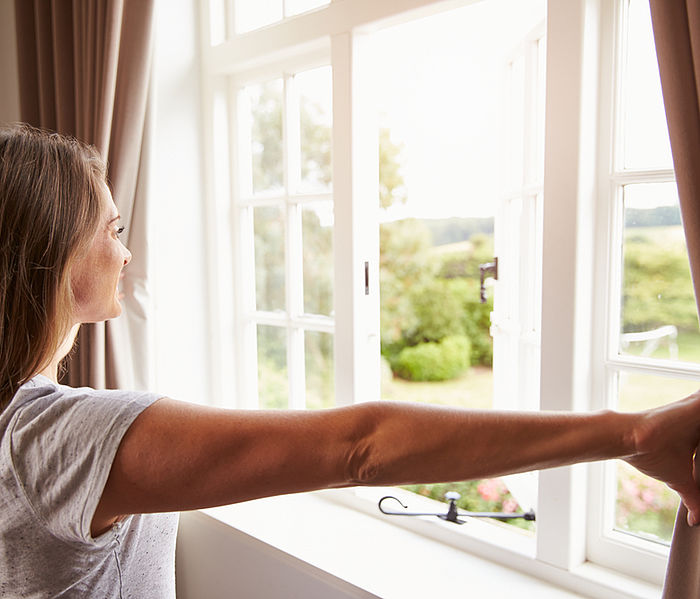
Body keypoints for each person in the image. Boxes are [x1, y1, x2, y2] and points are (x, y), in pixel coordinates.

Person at [1, 123, 699, 598]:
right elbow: (361, 446)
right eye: (112, 230)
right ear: (57, 249)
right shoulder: (52, 437)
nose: (126, 253)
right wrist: (629, 435)